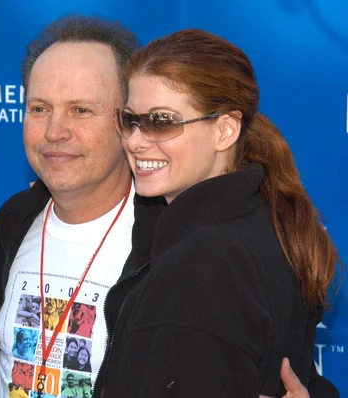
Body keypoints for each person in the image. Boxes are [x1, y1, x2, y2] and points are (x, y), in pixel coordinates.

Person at [0, 15, 331, 398]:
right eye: (40, 108)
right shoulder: (12, 223)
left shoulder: (179, 239)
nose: (54, 131)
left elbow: (278, 364)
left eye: (81, 110)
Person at [101, 28, 340, 397]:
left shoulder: (208, 260)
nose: (134, 140)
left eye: (162, 121)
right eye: (130, 120)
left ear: (225, 129)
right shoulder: (263, 219)